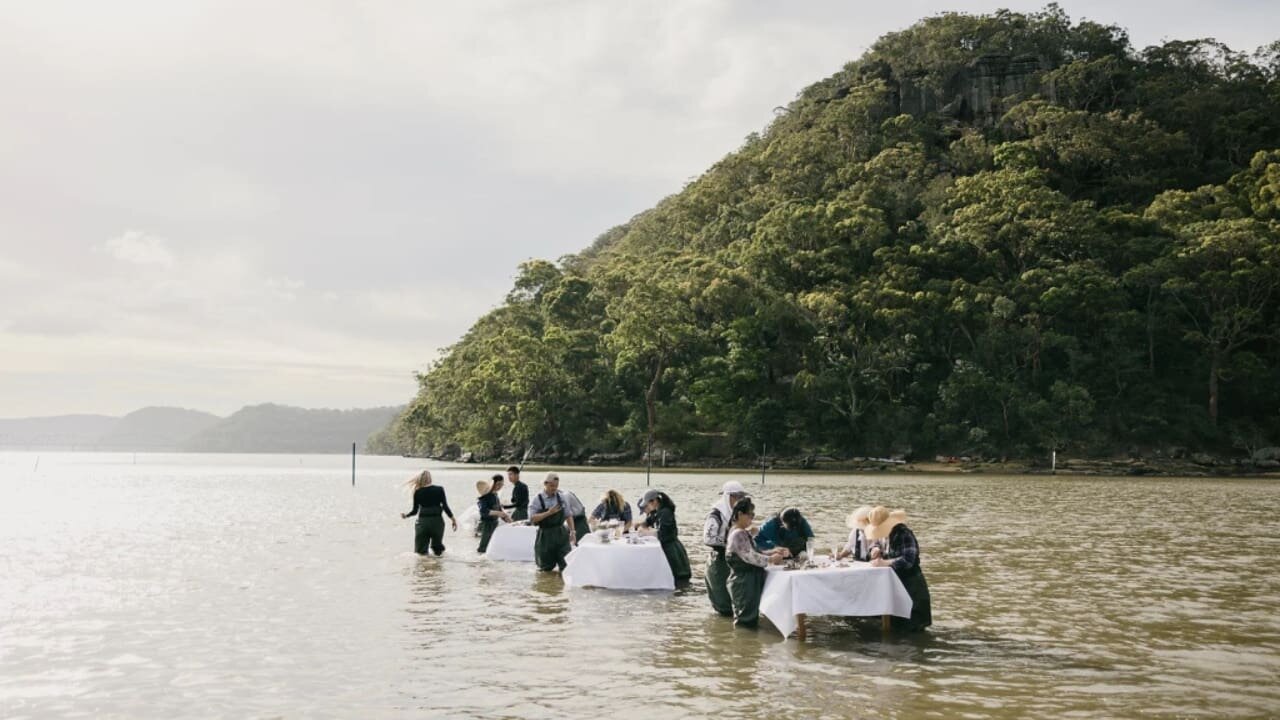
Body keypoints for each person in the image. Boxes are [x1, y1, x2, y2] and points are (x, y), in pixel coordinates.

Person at [866, 506, 933, 631]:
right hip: (895, 584)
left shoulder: (904, 534)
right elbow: (875, 544)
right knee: (896, 625)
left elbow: (908, 561)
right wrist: (875, 549)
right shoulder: (884, 534)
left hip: (911, 585)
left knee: (914, 626)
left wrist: (885, 562)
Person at [725, 497, 787, 628]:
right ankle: (743, 646)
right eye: (750, 515)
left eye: (753, 515)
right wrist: (771, 559)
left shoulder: (739, 532)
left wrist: (772, 551)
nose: (752, 518)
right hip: (743, 583)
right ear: (740, 514)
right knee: (745, 620)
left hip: (747, 581)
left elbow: (752, 552)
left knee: (749, 617)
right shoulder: (738, 534)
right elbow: (750, 557)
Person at [702, 480, 749, 617]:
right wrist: (730, 541)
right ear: (729, 497)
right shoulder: (715, 515)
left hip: (732, 559)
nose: (740, 500)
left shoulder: (735, 514)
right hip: (719, 560)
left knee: (734, 598)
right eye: (738, 497)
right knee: (723, 602)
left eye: (742, 497)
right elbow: (708, 538)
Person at [636, 489, 691, 583]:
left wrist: (647, 533)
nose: (647, 507)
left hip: (672, 548)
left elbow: (663, 534)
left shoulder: (665, 512)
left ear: (654, 501)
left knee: (678, 576)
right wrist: (641, 526)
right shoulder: (657, 511)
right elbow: (647, 522)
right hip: (666, 546)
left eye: (648, 504)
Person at [400, 470, 457, 555]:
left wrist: (406, 515)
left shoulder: (417, 492)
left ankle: (423, 567)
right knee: (438, 550)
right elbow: (445, 506)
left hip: (422, 523)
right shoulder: (439, 489)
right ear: (430, 478)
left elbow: (415, 511)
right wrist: (453, 519)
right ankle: (438, 565)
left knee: (421, 553)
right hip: (437, 522)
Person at [527, 472, 576, 571]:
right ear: (545, 484)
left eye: (556, 486)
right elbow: (532, 519)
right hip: (545, 536)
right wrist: (549, 513)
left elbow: (568, 515)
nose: (554, 488)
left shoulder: (561, 497)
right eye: (552, 486)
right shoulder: (537, 499)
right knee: (545, 569)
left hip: (561, 533)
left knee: (567, 565)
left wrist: (572, 531)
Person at [475, 475, 510, 554]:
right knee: (483, 547)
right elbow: (483, 511)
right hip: (486, 524)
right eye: (498, 484)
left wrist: (509, 520)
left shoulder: (495, 495)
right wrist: (498, 513)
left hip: (494, 523)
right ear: (492, 484)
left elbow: (499, 509)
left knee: (492, 546)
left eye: (501, 484)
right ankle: (478, 564)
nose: (499, 487)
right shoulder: (484, 497)